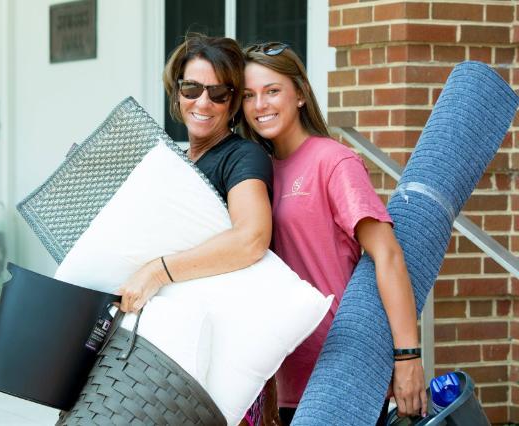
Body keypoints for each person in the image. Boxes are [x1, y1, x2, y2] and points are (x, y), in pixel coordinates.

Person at [240, 42, 427, 425]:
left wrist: (407, 356)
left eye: (272, 90)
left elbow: (387, 253)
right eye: (248, 95)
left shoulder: (332, 160)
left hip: (341, 369)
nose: (260, 105)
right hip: (279, 373)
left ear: (301, 95)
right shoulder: (253, 171)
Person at [117, 34, 273, 338]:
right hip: (160, 321)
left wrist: (157, 271)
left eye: (218, 93)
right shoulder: (175, 160)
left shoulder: (242, 156)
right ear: (177, 92)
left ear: (234, 102)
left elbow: (251, 238)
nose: (203, 102)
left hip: (211, 330)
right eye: (191, 88)